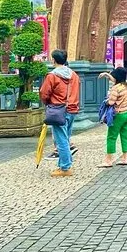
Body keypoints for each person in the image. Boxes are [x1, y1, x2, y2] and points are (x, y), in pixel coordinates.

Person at [39, 49, 81, 177]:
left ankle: (65, 167)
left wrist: (48, 103)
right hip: (72, 109)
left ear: (54, 60)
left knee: (60, 140)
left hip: (58, 110)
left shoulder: (52, 76)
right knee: (65, 137)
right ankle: (63, 163)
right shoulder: (74, 75)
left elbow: (44, 93)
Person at [98, 67, 127, 167]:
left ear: (117, 77)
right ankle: (125, 158)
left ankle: (108, 160)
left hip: (118, 115)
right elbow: (114, 78)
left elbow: (111, 102)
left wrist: (107, 100)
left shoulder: (116, 88)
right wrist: (107, 74)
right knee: (124, 136)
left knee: (111, 137)